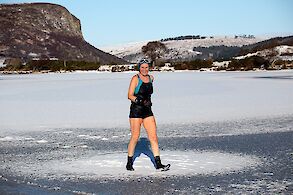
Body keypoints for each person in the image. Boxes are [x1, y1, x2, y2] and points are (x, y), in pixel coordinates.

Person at [126, 58, 170, 171]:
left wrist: (147, 102)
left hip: (147, 111)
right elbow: (130, 95)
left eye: (146, 67)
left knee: (153, 137)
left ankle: (158, 164)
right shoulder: (135, 79)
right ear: (139, 68)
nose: (145, 69)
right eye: (142, 67)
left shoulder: (151, 78)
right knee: (135, 137)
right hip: (136, 111)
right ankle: (129, 163)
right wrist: (140, 101)